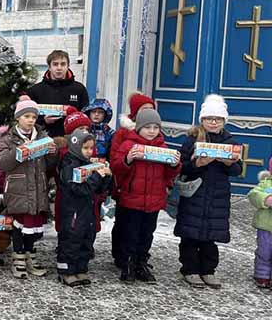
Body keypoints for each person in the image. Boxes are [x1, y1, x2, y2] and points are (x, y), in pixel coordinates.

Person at [175, 95, 242, 289]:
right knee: (190, 234)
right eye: (209, 118)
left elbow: (238, 170)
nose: (213, 122)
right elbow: (182, 167)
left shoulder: (231, 141)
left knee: (210, 237)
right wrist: (197, 164)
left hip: (217, 196)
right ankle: (189, 269)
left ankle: (208, 270)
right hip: (195, 194)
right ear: (202, 119)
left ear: (224, 121)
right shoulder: (191, 140)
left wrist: (229, 163)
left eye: (218, 119)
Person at [111, 109, 181, 284]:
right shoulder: (128, 145)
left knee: (147, 234)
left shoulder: (163, 147)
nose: (151, 131)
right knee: (130, 234)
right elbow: (116, 168)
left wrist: (174, 164)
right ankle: (127, 265)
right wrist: (127, 159)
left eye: (155, 127)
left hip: (153, 200)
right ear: (139, 127)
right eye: (147, 127)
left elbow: (168, 174)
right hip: (131, 200)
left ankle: (141, 263)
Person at [0, 96, 58, 279]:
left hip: (37, 190)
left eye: (33, 117)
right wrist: (19, 153)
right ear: (18, 118)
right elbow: (1, 164)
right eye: (27, 117)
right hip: (18, 190)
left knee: (32, 226)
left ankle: (30, 257)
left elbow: (49, 165)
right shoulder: (8, 139)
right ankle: (18, 259)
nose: (31, 120)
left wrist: (52, 153)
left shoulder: (42, 136)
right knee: (19, 226)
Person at [56, 129, 112, 287]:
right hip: (73, 211)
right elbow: (79, 189)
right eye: (85, 148)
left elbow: (98, 190)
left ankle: (81, 268)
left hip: (87, 210)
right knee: (71, 241)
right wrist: (97, 176)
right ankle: (66, 271)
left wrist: (106, 177)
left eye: (91, 148)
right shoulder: (69, 164)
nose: (89, 152)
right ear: (76, 146)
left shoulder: (89, 164)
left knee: (86, 240)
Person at [109, 92, 156, 269]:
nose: (148, 113)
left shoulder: (154, 132)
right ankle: (121, 255)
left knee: (144, 227)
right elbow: (115, 159)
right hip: (126, 187)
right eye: (144, 110)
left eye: (151, 110)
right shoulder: (123, 133)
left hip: (148, 190)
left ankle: (139, 258)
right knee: (124, 223)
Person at [27, 50, 89, 138]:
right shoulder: (35, 90)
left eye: (63, 64)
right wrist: (44, 121)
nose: (59, 68)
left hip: (72, 140)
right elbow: (27, 117)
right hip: (43, 140)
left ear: (68, 66)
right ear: (49, 67)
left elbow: (86, 115)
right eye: (55, 64)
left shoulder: (79, 89)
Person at [249, 161, 272, 288]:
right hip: (265, 226)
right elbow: (253, 194)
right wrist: (266, 199)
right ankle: (262, 274)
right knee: (264, 252)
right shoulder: (266, 183)